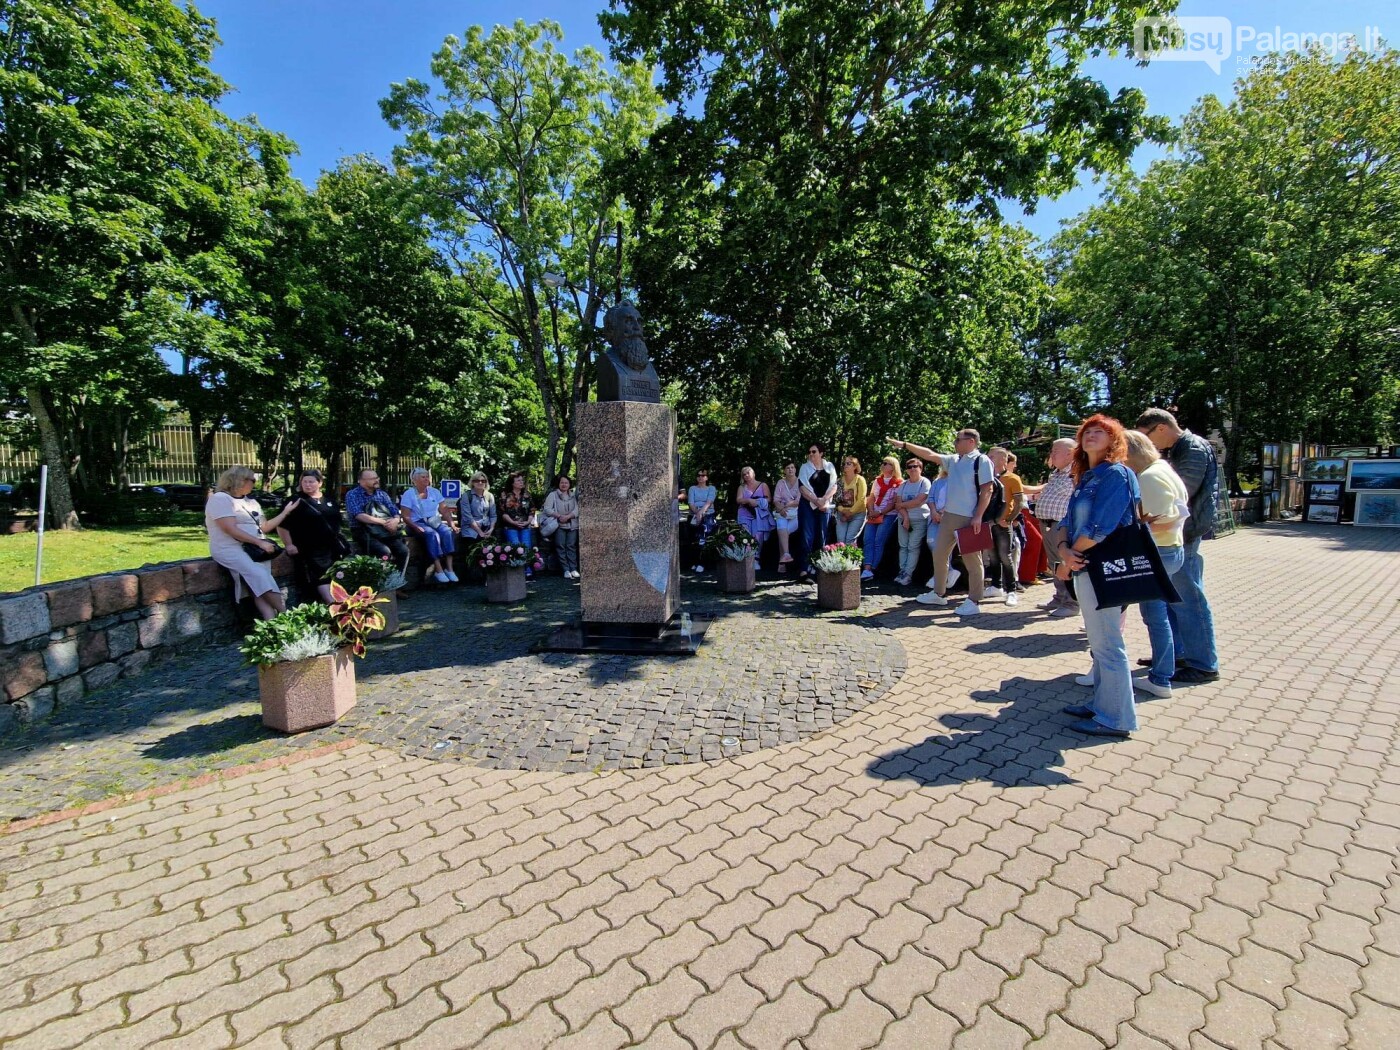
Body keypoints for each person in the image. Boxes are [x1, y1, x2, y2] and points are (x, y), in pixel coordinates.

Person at [1050, 414, 1141, 739]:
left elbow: (1099, 527)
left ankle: (1115, 718)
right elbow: (1067, 521)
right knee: (1099, 642)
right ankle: (1102, 702)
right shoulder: (1087, 477)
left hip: (1103, 567)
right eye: (1087, 431)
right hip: (1085, 565)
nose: (1091, 435)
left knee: (1108, 644)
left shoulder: (1116, 475)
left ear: (1114, 440)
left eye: (1100, 432)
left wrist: (1068, 558)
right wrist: (1063, 548)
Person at [1137, 408, 1220, 683]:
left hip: (1182, 536)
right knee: (1172, 599)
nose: (1148, 446)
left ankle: (1203, 664)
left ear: (1160, 428)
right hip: (1178, 534)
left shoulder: (1192, 448)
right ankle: (1175, 653)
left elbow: (1179, 492)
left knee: (1188, 599)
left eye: (1147, 437)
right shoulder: (1182, 449)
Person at [895, 430, 992, 617]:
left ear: (971, 442)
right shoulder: (954, 460)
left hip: (969, 518)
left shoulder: (982, 461)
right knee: (939, 553)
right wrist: (906, 445)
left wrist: (978, 516)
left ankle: (974, 600)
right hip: (949, 516)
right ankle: (938, 593)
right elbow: (930, 454)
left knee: (973, 560)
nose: (955, 442)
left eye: (958, 439)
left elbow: (987, 490)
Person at [1122, 430, 1189, 701]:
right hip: (1171, 549)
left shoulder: (1149, 477)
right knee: (1164, 613)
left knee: (1155, 617)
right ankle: (1174, 659)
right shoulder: (1164, 469)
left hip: (1158, 551)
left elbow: (1156, 520)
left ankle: (1161, 678)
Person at [205, 466, 292, 621]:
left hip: (254, 549)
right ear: (239, 480)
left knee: (259, 584)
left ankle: (271, 624)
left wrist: (285, 513)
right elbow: (229, 529)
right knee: (258, 576)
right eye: (252, 479)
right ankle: (287, 615)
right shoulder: (220, 499)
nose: (255, 482)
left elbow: (264, 527)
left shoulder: (251, 502)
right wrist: (259, 543)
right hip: (230, 548)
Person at [275, 468, 350, 604]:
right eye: (305, 482)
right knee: (320, 576)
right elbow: (281, 525)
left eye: (311, 482)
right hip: (309, 548)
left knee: (336, 575)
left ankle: (339, 602)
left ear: (320, 483)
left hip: (331, 547)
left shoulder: (329, 500)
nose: (307, 485)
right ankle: (333, 604)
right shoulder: (295, 500)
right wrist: (289, 544)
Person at [1024, 438, 1078, 618]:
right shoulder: (1056, 474)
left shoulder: (1077, 474)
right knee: (1054, 563)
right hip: (1046, 524)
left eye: (1056, 451)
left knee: (1064, 563)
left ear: (1070, 453)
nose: (1051, 455)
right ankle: (1060, 597)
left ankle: (1072, 603)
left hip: (1061, 526)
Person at [345, 469, 409, 577]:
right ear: (361, 481)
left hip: (384, 530)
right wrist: (384, 522)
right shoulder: (352, 494)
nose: (377, 480)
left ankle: (396, 585)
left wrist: (395, 520)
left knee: (403, 551)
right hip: (363, 530)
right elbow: (359, 515)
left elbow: (394, 510)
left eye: (377, 478)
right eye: (373, 479)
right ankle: (379, 586)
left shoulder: (382, 494)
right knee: (384, 551)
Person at [400, 467, 459, 584]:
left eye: (427, 476)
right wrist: (416, 527)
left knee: (447, 532)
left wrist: (451, 524)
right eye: (423, 477)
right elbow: (405, 516)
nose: (426, 479)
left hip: (434, 521)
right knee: (432, 534)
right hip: (416, 523)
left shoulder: (434, 492)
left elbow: (444, 510)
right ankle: (438, 569)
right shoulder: (409, 494)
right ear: (414, 480)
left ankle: (450, 568)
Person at [983, 447, 1024, 606]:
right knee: (992, 556)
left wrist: (1009, 519)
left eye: (992, 456)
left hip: (1002, 524)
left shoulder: (1012, 478)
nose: (988, 459)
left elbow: (1019, 502)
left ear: (1002, 460)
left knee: (1005, 557)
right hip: (989, 523)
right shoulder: (987, 478)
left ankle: (1011, 591)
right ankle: (996, 585)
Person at [797, 443, 836, 578]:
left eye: (814, 451)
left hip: (824, 506)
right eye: (810, 452)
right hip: (808, 506)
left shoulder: (829, 466)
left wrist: (824, 499)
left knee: (822, 536)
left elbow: (834, 486)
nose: (811, 454)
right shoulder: (805, 467)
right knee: (807, 537)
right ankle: (804, 569)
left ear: (821, 453)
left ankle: (820, 567)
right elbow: (803, 488)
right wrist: (816, 501)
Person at [861, 457, 901, 581]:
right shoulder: (877, 481)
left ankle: (872, 569)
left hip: (888, 514)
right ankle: (866, 568)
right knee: (868, 539)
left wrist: (880, 512)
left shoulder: (899, 483)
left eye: (886, 463)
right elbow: (872, 497)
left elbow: (894, 502)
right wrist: (872, 511)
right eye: (882, 463)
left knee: (879, 540)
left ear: (893, 467)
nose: (883, 465)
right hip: (874, 513)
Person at [922, 463, 961, 592]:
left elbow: (957, 499)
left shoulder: (960, 481)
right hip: (934, 517)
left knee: (944, 546)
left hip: (949, 517)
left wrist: (944, 512)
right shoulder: (938, 481)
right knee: (932, 543)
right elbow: (930, 498)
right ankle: (948, 571)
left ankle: (939, 576)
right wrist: (934, 512)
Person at [893, 458, 931, 586]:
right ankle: (902, 571)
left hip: (920, 519)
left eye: (915, 466)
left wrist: (903, 505)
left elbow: (919, 501)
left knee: (913, 546)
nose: (913, 469)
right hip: (903, 519)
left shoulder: (925, 483)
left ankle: (908, 574)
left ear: (921, 468)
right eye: (910, 467)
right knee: (903, 546)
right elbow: (898, 504)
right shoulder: (903, 485)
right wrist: (906, 518)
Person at [542, 474, 581, 579]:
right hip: (559, 524)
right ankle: (566, 569)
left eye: (566, 483)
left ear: (569, 484)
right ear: (558, 484)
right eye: (562, 482)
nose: (564, 485)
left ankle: (573, 568)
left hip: (572, 524)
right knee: (560, 546)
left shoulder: (573, 495)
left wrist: (568, 516)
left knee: (571, 546)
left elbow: (577, 509)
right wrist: (559, 516)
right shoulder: (552, 495)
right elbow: (547, 509)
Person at [500, 472, 537, 578]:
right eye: (518, 481)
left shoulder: (527, 495)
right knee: (515, 546)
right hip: (510, 525)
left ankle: (527, 569)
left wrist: (528, 521)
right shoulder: (505, 495)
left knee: (526, 546)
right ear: (512, 483)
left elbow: (532, 510)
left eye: (522, 480)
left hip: (525, 525)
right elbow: (503, 512)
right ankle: (517, 570)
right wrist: (513, 522)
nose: (521, 482)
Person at [735, 467, 772, 570]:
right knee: (745, 534)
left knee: (758, 534)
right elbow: (738, 500)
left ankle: (756, 558)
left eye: (748, 473)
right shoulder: (742, 487)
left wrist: (758, 501)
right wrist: (749, 501)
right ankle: (747, 557)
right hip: (744, 513)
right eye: (744, 474)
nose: (746, 475)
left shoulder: (762, 485)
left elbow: (769, 499)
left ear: (753, 473)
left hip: (758, 514)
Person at [773, 462, 802, 573]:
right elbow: (776, 499)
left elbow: (798, 501)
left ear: (795, 469)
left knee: (783, 532)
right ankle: (786, 555)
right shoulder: (781, 482)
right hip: (783, 512)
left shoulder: (800, 482)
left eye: (792, 467)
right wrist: (781, 509)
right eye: (787, 468)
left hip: (797, 514)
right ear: (784, 470)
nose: (790, 470)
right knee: (781, 524)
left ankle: (783, 561)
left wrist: (786, 506)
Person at [687, 470, 717, 573]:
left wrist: (702, 513)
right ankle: (695, 561)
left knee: (703, 538)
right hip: (694, 514)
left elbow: (709, 501)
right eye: (698, 475)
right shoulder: (692, 488)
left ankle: (702, 562)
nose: (700, 477)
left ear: (707, 477)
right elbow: (691, 502)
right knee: (694, 539)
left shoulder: (711, 488)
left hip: (708, 514)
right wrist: (697, 513)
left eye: (703, 475)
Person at [833, 456, 868, 545]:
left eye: (849, 463)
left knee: (849, 540)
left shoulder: (860, 480)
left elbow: (861, 499)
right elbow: (837, 499)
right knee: (840, 540)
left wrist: (850, 512)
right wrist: (843, 511)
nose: (845, 465)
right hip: (842, 514)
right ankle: (840, 559)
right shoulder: (840, 480)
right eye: (844, 463)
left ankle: (852, 559)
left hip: (858, 514)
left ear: (855, 466)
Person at [460, 472, 497, 540]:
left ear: (486, 483)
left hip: (487, 527)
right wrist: (480, 532)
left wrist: (491, 529)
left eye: (483, 481)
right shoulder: (466, 496)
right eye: (477, 481)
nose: (480, 483)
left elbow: (493, 515)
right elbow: (467, 517)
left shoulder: (490, 496)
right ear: (472, 483)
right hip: (470, 528)